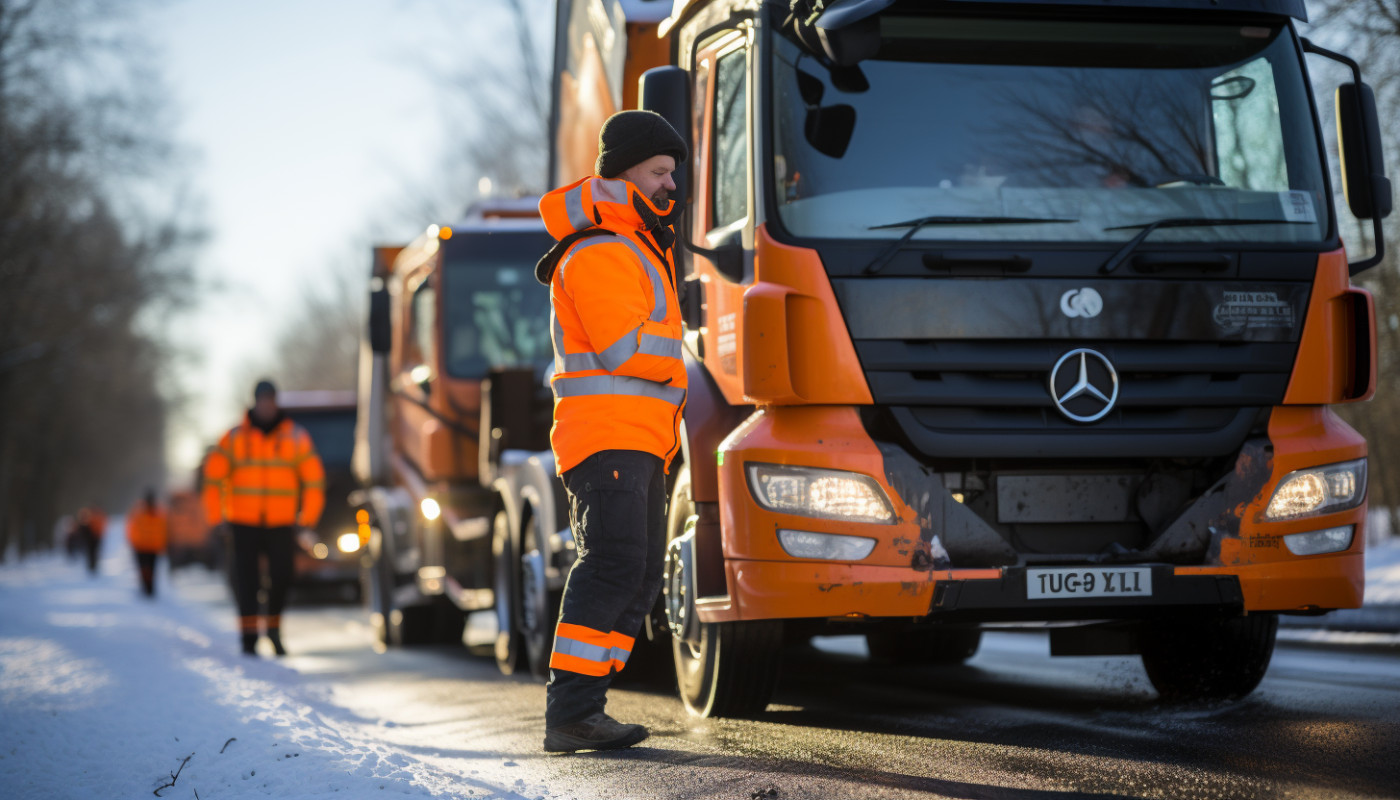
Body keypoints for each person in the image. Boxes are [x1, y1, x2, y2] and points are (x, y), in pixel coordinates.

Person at [534, 110, 688, 753]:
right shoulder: (602, 249)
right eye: (657, 172)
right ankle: (571, 711)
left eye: (672, 173)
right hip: (608, 436)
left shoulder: (634, 243)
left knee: (638, 570)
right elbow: (625, 347)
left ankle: (583, 708)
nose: (668, 185)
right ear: (622, 171)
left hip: (636, 436)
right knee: (613, 565)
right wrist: (687, 353)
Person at [202, 380, 325, 656]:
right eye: (262, 400)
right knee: (246, 581)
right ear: (254, 402)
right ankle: (248, 639)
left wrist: (307, 519)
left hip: (281, 523)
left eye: (271, 400)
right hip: (242, 523)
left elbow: (314, 481)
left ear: (276, 402)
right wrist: (216, 519)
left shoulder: (295, 436)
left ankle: (273, 630)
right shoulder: (234, 438)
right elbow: (213, 479)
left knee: (283, 577)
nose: (267, 405)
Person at [126, 489, 169, 597]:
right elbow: (132, 527)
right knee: (147, 569)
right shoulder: (156, 511)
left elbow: (164, 529)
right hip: (146, 546)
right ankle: (148, 588)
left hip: (148, 547)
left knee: (148, 569)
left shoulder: (153, 511)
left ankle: (148, 589)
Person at [75, 505, 107, 575]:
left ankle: (92, 566)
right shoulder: (97, 516)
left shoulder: (91, 517)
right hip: (94, 537)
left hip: (93, 537)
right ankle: (92, 566)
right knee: (92, 553)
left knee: (91, 553)